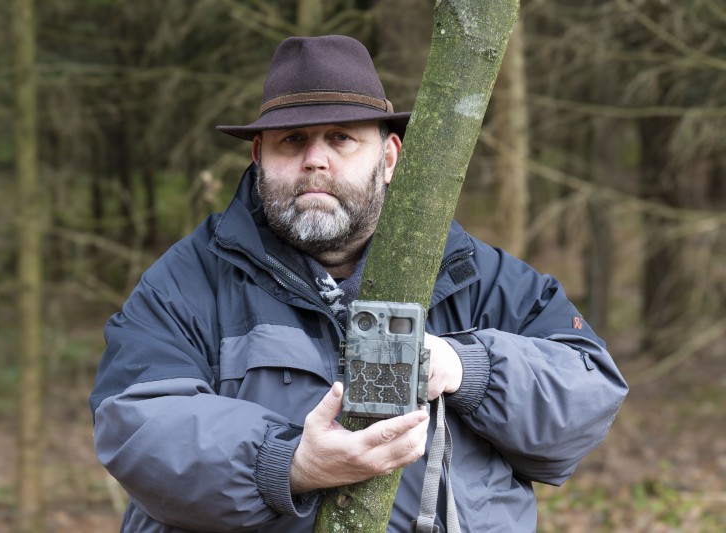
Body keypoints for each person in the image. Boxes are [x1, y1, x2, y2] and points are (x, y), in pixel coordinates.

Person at [90, 35, 628, 532]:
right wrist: (289, 464)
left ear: (389, 157)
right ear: (258, 158)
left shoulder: (472, 273)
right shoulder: (188, 281)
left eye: (341, 138)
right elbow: (135, 422)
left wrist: (468, 368)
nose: (314, 160)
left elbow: (588, 391)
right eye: (291, 141)